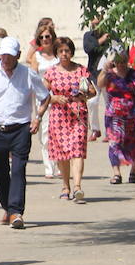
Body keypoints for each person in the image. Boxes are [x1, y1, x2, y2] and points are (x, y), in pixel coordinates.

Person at [0, 37, 50, 228]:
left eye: (10, 56)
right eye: (3, 55)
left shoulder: (28, 74)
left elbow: (45, 97)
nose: (6, 59)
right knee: (1, 173)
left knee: (18, 170)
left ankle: (16, 211)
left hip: (20, 129)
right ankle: (8, 208)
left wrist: (38, 118)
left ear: (18, 55)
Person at [44, 36, 94, 203]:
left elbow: (92, 91)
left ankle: (78, 187)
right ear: (56, 53)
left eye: (67, 51)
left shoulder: (81, 70)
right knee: (62, 153)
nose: (64, 54)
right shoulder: (51, 72)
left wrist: (84, 94)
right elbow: (42, 95)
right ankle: (66, 186)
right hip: (59, 115)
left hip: (78, 114)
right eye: (61, 51)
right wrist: (54, 99)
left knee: (78, 150)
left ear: (71, 52)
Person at [98, 46, 135, 184]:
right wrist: (104, 70)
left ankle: (133, 172)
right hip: (114, 115)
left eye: (124, 61)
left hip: (133, 114)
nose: (121, 64)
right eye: (118, 61)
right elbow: (100, 84)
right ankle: (116, 173)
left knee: (134, 142)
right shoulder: (110, 74)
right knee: (114, 142)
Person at [25, 22, 60, 177]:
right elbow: (33, 76)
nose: (45, 39)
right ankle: (48, 166)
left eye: (48, 36)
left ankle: (59, 165)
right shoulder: (36, 56)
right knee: (45, 132)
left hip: (59, 97)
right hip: (43, 97)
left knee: (59, 131)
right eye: (42, 37)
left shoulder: (59, 54)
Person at [83, 18, 111, 141]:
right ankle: (95, 129)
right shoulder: (88, 36)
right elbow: (89, 49)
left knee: (109, 103)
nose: (95, 25)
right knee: (92, 102)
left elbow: (120, 49)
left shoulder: (112, 34)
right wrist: (101, 40)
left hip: (108, 74)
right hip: (94, 73)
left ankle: (109, 131)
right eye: (93, 23)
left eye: (98, 23)